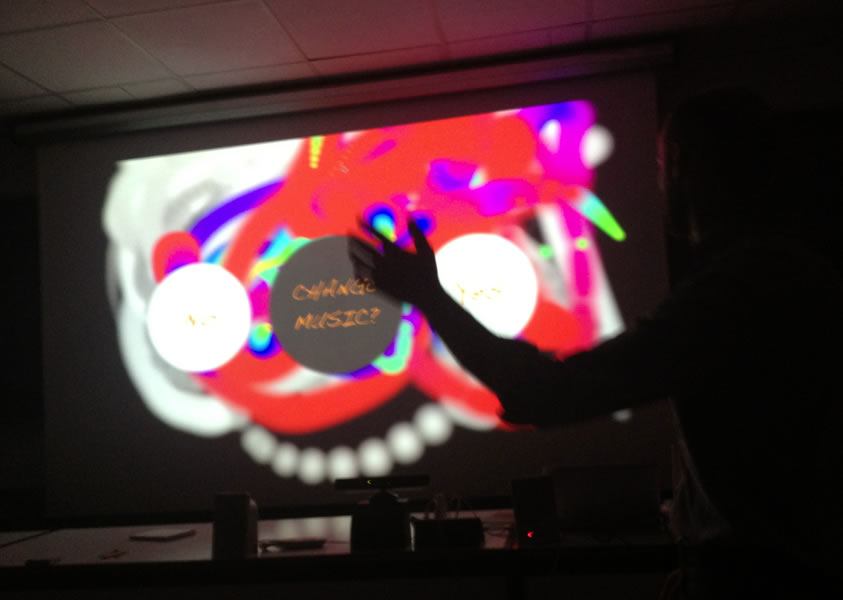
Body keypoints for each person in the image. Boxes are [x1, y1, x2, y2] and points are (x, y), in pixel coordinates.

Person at [349, 89, 843, 599]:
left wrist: (430, 297)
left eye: (659, 164)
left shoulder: (733, 295)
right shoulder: (794, 276)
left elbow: (543, 392)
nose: (658, 182)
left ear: (681, 166)